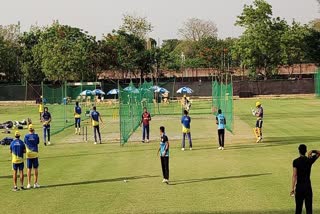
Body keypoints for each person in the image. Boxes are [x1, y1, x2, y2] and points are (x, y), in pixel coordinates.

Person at [291, 144, 320, 214]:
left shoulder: (295, 161)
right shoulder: (309, 160)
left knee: (298, 209)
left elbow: (294, 175)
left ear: (299, 151)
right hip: (307, 187)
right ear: (306, 151)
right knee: (309, 209)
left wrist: (292, 189)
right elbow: (319, 153)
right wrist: (312, 151)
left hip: (299, 187)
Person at [24, 124, 40, 189]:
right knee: (35, 168)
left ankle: (28, 184)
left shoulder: (26, 136)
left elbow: (25, 142)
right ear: (33, 129)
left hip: (28, 154)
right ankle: (35, 183)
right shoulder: (36, 136)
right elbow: (37, 142)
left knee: (29, 169)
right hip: (35, 153)